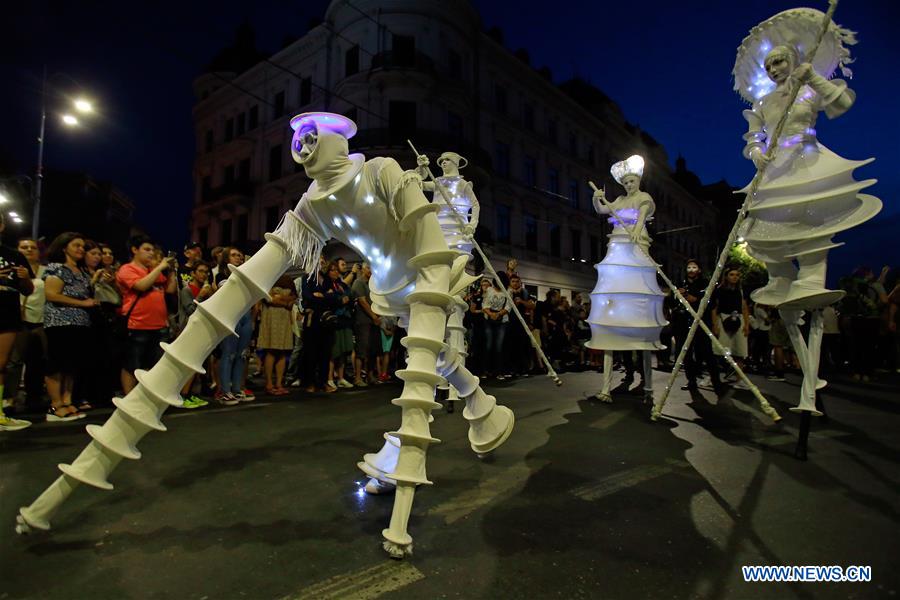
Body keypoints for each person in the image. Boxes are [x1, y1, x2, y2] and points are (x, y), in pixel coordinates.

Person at [733, 14, 880, 309]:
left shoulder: (808, 91)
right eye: (768, 66)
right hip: (775, 167)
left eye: (779, 62)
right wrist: (757, 152)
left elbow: (841, 103)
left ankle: (812, 276)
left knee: (811, 218)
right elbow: (753, 137)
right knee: (764, 224)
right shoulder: (762, 102)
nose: (774, 70)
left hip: (807, 158)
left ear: (792, 59)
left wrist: (812, 77)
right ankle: (779, 276)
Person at [42, 232, 94, 421]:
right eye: (76, 245)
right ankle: (55, 405)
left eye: (82, 246)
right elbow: (51, 294)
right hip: (60, 322)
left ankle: (67, 401)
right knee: (57, 363)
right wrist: (82, 303)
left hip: (80, 323)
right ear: (64, 248)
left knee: (72, 364)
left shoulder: (81, 271)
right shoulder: (57, 268)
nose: (81, 249)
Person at [117, 234, 177, 395]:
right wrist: (159, 267)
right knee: (132, 364)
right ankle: (129, 398)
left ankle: (146, 396)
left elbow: (170, 290)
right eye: (147, 249)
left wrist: (171, 271)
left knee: (154, 364)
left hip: (159, 324)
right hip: (137, 324)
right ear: (134, 250)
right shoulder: (127, 269)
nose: (151, 253)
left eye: (152, 250)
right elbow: (141, 286)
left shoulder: (153, 270)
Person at [0, 217, 34, 431]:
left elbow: (28, 290)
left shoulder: (14, 255)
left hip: (7, 312)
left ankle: (0, 414)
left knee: (1, 364)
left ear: (2, 226)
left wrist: (24, 278)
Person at [673, 259, 724, 394]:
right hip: (684, 323)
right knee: (687, 354)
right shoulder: (681, 283)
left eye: (694, 267)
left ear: (699, 270)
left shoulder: (706, 284)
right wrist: (678, 295)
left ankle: (716, 382)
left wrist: (692, 298)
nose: (691, 270)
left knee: (707, 353)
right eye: (689, 267)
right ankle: (691, 381)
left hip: (701, 323)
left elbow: (708, 303)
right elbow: (675, 302)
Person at [213, 246, 255, 403]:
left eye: (239, 255)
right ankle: (225, 391)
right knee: (228, 353)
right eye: (234, 255)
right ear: (226, 258)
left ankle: (237, 389)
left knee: (242, 355)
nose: (238, 257)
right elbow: (229, 291)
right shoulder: (220, 275)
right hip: (231, 316)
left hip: (246, 316)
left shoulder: (246, 274)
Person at [13, 238, 47, 414]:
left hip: (41, 320)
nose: (29, 250)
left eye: (33, 247)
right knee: (15, 361)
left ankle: (34, 398)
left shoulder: (46, 271)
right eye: (24, 247)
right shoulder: (12, 269)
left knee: (37, 361)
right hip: (17, 320)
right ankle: (9, 400)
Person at [176, 262, 212, 408]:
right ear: (193, 274)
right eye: (201, 271)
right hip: (188, 330)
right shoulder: (187, 290)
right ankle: (183, 396)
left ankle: (191, 394)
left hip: (201, 330)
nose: (204, 274)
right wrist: (201, 296)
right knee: (189, 365)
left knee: (197, 365)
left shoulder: (207, 289)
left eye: (206, 272)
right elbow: (190, 310)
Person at [258, 275, 296, 395]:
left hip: (285, 317)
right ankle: (269, 383)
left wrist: (281, 298)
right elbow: (270, 299)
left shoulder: (288, 279)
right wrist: (285, 302)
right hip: (271, 316)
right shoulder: (268, 277)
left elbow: (293, 298)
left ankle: (279, 383)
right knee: (271, 350)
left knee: (282, 351)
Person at [711, 267, 750, 385]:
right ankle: (713, 377)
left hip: (738, 319)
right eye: (732, 274)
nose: (734, 277)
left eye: (737, 275)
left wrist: (747, 325)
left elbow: (744, 308)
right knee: (718, 350)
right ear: (726, 276)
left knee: (740, 351)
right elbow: (714, 308)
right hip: (723, 319)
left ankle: (739, 379)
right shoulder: (719, 290)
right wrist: (715, 325)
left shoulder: (741, 290)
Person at [323, 260, 354, 390]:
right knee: (334, 351)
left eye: (336, 270)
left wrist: (342, 298)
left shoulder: (341, 284)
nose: (335, 272)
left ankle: (341, 378)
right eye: (332, 270)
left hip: (345, 320)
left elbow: (350, 297)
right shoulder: (325, 284)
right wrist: (340, 299)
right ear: (327, 272)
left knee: (343, 351)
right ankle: (330, 378)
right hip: (333, 320)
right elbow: (329, 299)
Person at [351, 262, 380, 386]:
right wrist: (374, 316)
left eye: (371, 268)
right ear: (362, 269)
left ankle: (370, 376)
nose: (370, 270)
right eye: (368, 268)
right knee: (361, 350)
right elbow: (362, 301)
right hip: (363, 321)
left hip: (373, 321)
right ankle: (358, 377)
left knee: (373, 350)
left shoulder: (373, 284)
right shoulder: (359, 282)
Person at [482, 274, 511, 380]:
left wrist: (498, 314)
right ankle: (486, 370)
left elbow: (508, 306)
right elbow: (484, 304)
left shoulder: (508, 291)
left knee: (499, 346)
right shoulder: (489, 290)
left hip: (502, 320)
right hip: (489, 319)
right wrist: (491, 314)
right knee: (488, 345)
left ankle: (499, 371)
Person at [507, 274, 534, 377]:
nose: (515, 283)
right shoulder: (507, 292)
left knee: (523, 346)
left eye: (517, 281)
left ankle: (524, 369)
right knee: (511, 346)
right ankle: (513, 369)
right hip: (510, 322)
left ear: (520, 282)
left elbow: (532, 305)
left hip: (522, 323)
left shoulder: (524, 293)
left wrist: (522, 301)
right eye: (513, 281)